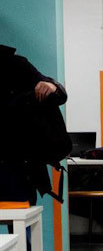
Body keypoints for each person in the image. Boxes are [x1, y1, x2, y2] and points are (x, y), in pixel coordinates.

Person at [0, 45, 70, 203]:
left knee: (23, 215)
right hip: (15, 158)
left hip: (17, 159)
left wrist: (51, 86)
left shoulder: (14, 64)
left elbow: (58, 94)